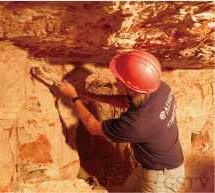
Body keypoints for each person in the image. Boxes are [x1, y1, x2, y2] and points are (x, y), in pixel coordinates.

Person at [58, 50, 185, 192]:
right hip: (158, 164)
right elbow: (127, 101)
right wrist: (94, 97)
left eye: (118, 77)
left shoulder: (135, 124)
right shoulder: (159, 87)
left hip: (161, 176)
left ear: (130, 86)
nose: (114, 78)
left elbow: (93, 127)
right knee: (129, 188)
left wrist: (73, 97)